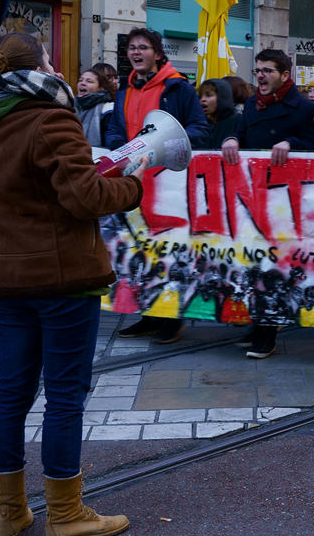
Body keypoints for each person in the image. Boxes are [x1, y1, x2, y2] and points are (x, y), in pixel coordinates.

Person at [0, 32, 141, 536]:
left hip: (9, 274)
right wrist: (132, 181)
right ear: (38, 67)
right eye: (48, 58)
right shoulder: (50, 116)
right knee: (65, 395)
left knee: (11, 391)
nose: (56, 66)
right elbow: (85, 198)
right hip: (63, 276)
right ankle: (65, 513)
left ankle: (9, 512)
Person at [222, 49, 314, 359]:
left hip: (287, 202)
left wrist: (291, 144)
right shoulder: (253, 104)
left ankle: (266, 333)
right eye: (258, 70)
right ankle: (260, 323)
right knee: (255, 263)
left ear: (284, 75)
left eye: (268, 70)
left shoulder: (303, 108)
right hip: (254, 197)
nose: (261, 76)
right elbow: (241, 131)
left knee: (273, 266)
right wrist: (231, 139)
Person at [109, 27, 207, 345]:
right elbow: (114, 130)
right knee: (140, 251)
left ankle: (171, 318)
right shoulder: (124, 91)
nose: (136, 52)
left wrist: (159, 146)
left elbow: (199, 128)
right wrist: (120, 149)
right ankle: (149, 315)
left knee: (169, 252)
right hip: (133, 184)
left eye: (143, 47)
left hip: (168, 183)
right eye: (132, 48)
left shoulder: (178, 88)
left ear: (157, 54)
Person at [74, 67, 115, 148]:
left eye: (89, 81)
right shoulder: (70, 106)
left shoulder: (108, 110)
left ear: (101, 88)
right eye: (80, 80)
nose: (82, 83)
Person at [196, 78, 241, 150]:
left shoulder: (238, 121)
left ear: (222, 97)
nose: (203, 99)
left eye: (209, 95)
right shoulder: (200, 123)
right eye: (200, 96)